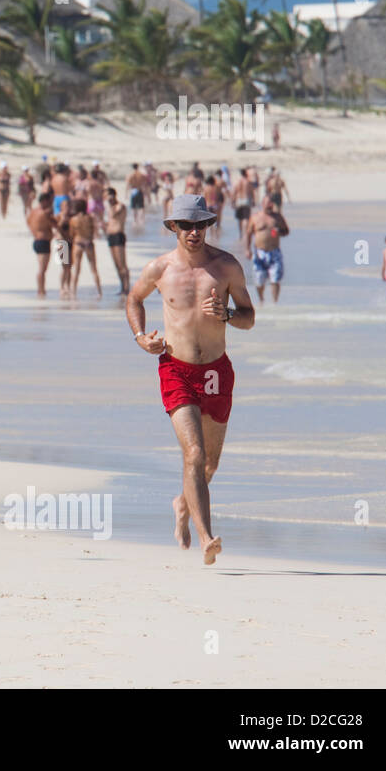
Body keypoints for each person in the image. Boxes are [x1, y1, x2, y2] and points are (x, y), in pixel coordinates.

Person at [127, 194, 255, 565]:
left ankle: (183, 504)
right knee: (194, 455)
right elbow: (134, 300)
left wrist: (228, 314)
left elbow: (249, 316)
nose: (194, 232)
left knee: (209, 464)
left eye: (200, 225)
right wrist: (141, 337)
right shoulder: (160, 269)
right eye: (186, 225)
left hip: (216, 371)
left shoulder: (226, 267)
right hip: (176, 369)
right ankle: (206, 538)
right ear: (173, 228)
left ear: (208, 226)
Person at [244, 195, 290, 303]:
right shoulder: (255, 218)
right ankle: (261, 300)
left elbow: (286, 231)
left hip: (274, 252)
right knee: (259, 280)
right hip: (259, 252)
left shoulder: (278, 217)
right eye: (267, 204)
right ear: (262, 204)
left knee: (275, 279)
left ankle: (275, 302)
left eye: (271, 204)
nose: (270, 206)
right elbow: (248, 234)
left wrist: (280, 232)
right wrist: (247, 249)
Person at [68, 199, 101, 299]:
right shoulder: (90, 218)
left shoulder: (73, 219)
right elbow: (94, 231)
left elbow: (71, 234)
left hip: (78, 243)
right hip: (88, 243)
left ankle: (73, 291)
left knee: (77, 269)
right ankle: (99, 291)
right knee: (94, 269)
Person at [27, 191, 56, 298]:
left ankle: (41, 289)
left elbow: (28, 222)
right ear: (44, 201)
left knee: (41, 268)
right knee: (42, 269)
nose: (50, 205)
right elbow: (54, 224)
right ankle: (41, 290)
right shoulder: (44, 213)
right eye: (49, 202)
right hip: (44, 242)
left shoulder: (33, 212)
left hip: (36, 241)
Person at [105, 187, 129, 294]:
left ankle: (126, 287)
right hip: (110, 236)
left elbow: (114, 214)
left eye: (108, 195)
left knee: (122, 264)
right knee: (116, 265)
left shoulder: (120, 206)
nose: (107, 199)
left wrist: (110, 203)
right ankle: (122, 286)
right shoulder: (109, 207)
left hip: (118, 235)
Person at [231, 168, 255, 238]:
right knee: (246, 218)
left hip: (239, 201)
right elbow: (251, 192)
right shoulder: (248, 182)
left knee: (240, 219)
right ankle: (246, 233)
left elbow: (234, 192)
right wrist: (253, 201)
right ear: (246, 174)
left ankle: (240, 234)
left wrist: (232, 201)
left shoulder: (238, 182)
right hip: (246, 200)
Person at [125, 163, 148, 228]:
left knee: (134, 207)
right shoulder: (141, 175)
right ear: (137, 167)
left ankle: (135, 221)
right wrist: (145, 192)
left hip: (133, 191)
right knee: (141, 207)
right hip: (140, 190)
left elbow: (128, 185)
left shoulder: (130, 175)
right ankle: (142, 220)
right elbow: (145, 182)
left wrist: (126, 194)